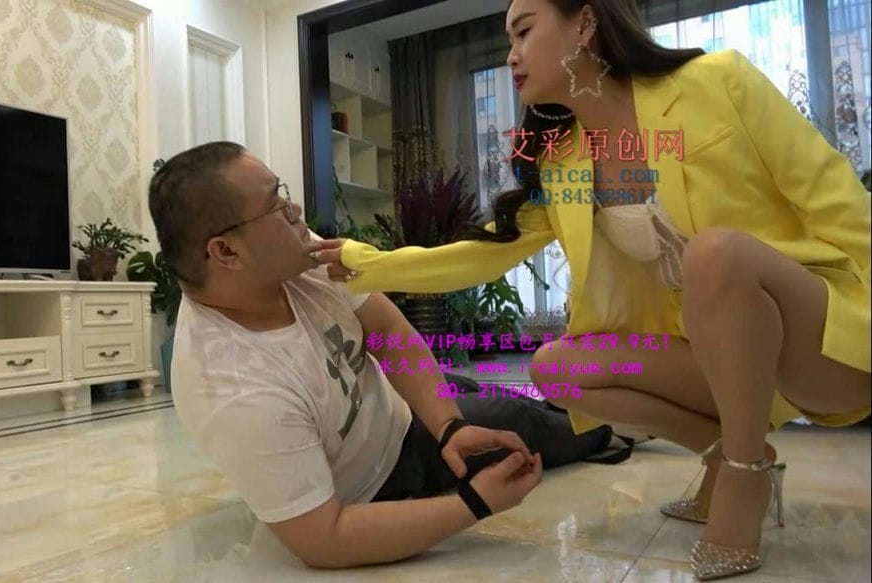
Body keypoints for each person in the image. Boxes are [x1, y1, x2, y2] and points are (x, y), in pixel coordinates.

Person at [310, 0, 872, 580]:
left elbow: (833, 194)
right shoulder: (562, 163)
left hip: (819, 343)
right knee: (556, 368)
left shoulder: (717, 81)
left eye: (524, 32)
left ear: (584, 23)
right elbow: (482, 254)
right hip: (721, 362)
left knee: (714, 255)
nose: (511, 55)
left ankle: (743, 475)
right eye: (509, 40)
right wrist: (366, 265)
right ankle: (732, 452)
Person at [147, 141, 626, 569]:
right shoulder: (233, 387)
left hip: (395, 404)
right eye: (276, 204)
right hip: (386, 473)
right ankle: (622, 426)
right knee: (526, 423)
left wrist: (448, 425)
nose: (295, 210)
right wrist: (474, 504)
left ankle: (567, 410)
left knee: (481, 397)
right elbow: (324, 540)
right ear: (226, 252)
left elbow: (386, 329)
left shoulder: (298, 260)